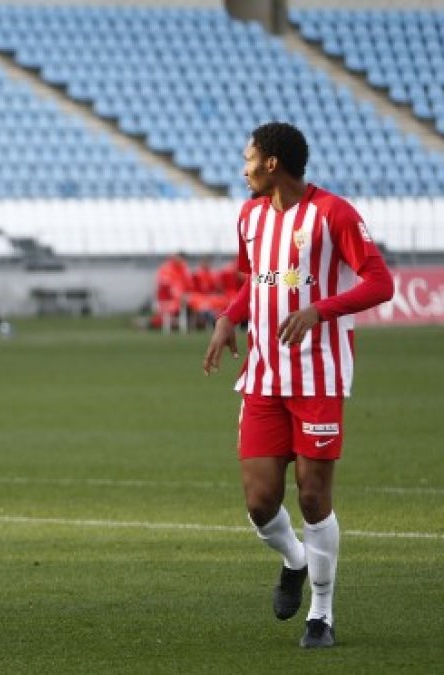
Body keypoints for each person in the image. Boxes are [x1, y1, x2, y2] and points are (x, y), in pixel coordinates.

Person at [203, 122, 394, 649]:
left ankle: (322, 614)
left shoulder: (334, 213)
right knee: (261, 502)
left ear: (272, 163)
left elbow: (381, 282)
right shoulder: (249, 217)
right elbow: (254, 281)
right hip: (264, 377)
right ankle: (295, 559)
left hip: (318, 377)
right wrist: (228, 317)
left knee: (313, 496)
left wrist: (319, 310)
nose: (242, 168)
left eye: (248, 158)